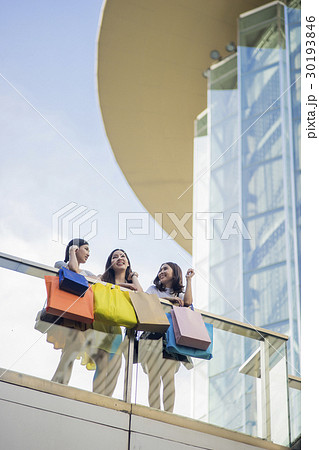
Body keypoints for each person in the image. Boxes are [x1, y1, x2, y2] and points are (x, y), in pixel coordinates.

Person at [139, 262, 195, 412]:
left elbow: (188, 303)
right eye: (160, 269)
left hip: (171, 339)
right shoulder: (153, 289)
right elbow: (145, 301)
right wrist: (169, 301)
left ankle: (168, 414)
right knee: (153, 378)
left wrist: (189, 280)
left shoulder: (180, 295)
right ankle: (155, 412)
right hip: (151, 338)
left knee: (169, 377)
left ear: (175, 273)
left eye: (165, 269)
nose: (161, 272)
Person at [92, 249, 143, 395]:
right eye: (115, 257)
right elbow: (95, 286)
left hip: (117, 329)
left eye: (123, 256)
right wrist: (125, 287)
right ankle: (97, 399)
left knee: (116, 367)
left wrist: (133, 277)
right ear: (110, 263)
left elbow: (141, 296)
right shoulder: (103, 278)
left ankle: (105, 400)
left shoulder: (131, 281)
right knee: (101, 365)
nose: (120, 258)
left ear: (128, 262)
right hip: (101, 326)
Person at [46, 239, 96, 384]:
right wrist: (71, 252)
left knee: (70, 349)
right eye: (86, 249)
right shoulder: (61, 264)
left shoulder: (87, 272)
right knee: (76, 344)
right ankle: (58, 380)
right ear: (75, 249)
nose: (88, 254)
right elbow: (73, 269)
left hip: (79, 313)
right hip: (65, 311)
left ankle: (59, 381)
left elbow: (100, 280)